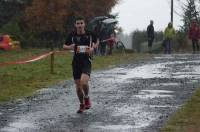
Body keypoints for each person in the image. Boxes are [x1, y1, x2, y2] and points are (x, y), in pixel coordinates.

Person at [63, 16, 97, 113]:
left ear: (84, 24)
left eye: (81, 23)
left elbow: (96, 41)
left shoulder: (90, 34)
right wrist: (70, 47)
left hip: (86, 61)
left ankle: (87, 98)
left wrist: (92, 48)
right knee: (78, 87)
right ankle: (82, 104)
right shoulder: (72, 35)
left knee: (84, 82)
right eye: (78, 23)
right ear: (75, 25)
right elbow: (64, 46)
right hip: (76, 62)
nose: (80, 25)